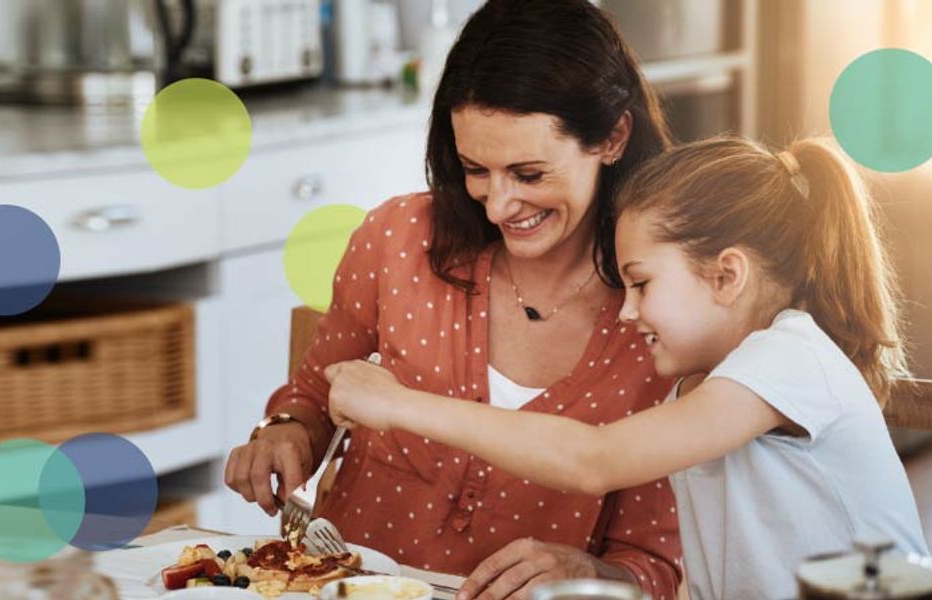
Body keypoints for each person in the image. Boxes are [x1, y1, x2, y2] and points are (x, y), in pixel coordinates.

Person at [326, 136, 929, 599]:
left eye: (641, 283)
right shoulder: (707, 386)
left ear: (727, 275)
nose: (628, 311)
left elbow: (594, 458)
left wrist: (399, 404)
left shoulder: (787, 358)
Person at [225, 1, 683, 597]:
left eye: (529, 174)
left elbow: (655, 564)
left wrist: (591, 572)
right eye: (475, 169)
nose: (496, 206)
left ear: (614, 137)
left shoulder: (668, 310)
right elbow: (313, 397)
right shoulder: (397, 240)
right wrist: (284, 432)